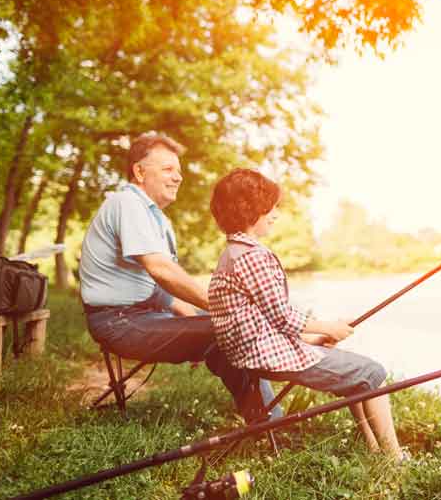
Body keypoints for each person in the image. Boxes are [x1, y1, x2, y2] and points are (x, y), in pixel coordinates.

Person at [79, 133, 279, 421]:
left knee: (226, 325)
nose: (177, 178)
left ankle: (263, 416)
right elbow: (161, 270)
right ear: (139, 171)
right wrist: (223, 309)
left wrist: (194, 311)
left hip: (141, 314)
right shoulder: (127, 204)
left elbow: (157, 286)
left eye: (179, 171)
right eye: (168, 169)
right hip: (118, 322)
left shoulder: (155, 217)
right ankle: (269, 420)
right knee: (226, 327)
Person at [207, 168, 403, 458]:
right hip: (264, 356)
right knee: (372, 373)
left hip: (253, 350)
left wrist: (314, 337)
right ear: (250, 210)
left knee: (356, 370)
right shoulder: (253, 256)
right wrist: (329, 328)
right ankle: (394, 458)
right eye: (271, 208)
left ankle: (374, 448)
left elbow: (263, 319)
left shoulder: (232, 253)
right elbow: (283, 317)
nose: (275, 214)